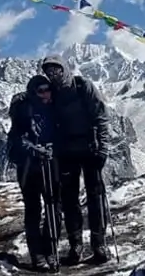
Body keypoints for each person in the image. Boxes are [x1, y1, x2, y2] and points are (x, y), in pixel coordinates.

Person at [39, 54, 111, 264]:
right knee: (70, 200)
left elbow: (100, 117)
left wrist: (103, 150)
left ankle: (99, 244)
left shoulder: (83, 87)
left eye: (56, 69)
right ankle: (76, 245)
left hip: (90, 148)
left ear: (64, 68)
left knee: (95, 197)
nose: (53, 74)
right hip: (66, 152)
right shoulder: (52, 94)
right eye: (48, 71)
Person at [5, 74, 62, 271]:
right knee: (33, 210)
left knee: (54, 206)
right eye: (41, 90)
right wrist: (36, 150)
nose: (46, 93)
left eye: (48, 89)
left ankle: (51, 250)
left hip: (50, 163)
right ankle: (37, 254)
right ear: (34, 92)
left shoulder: (54, 107)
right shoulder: (23, 109)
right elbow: (17, 138)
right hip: (29, 166)